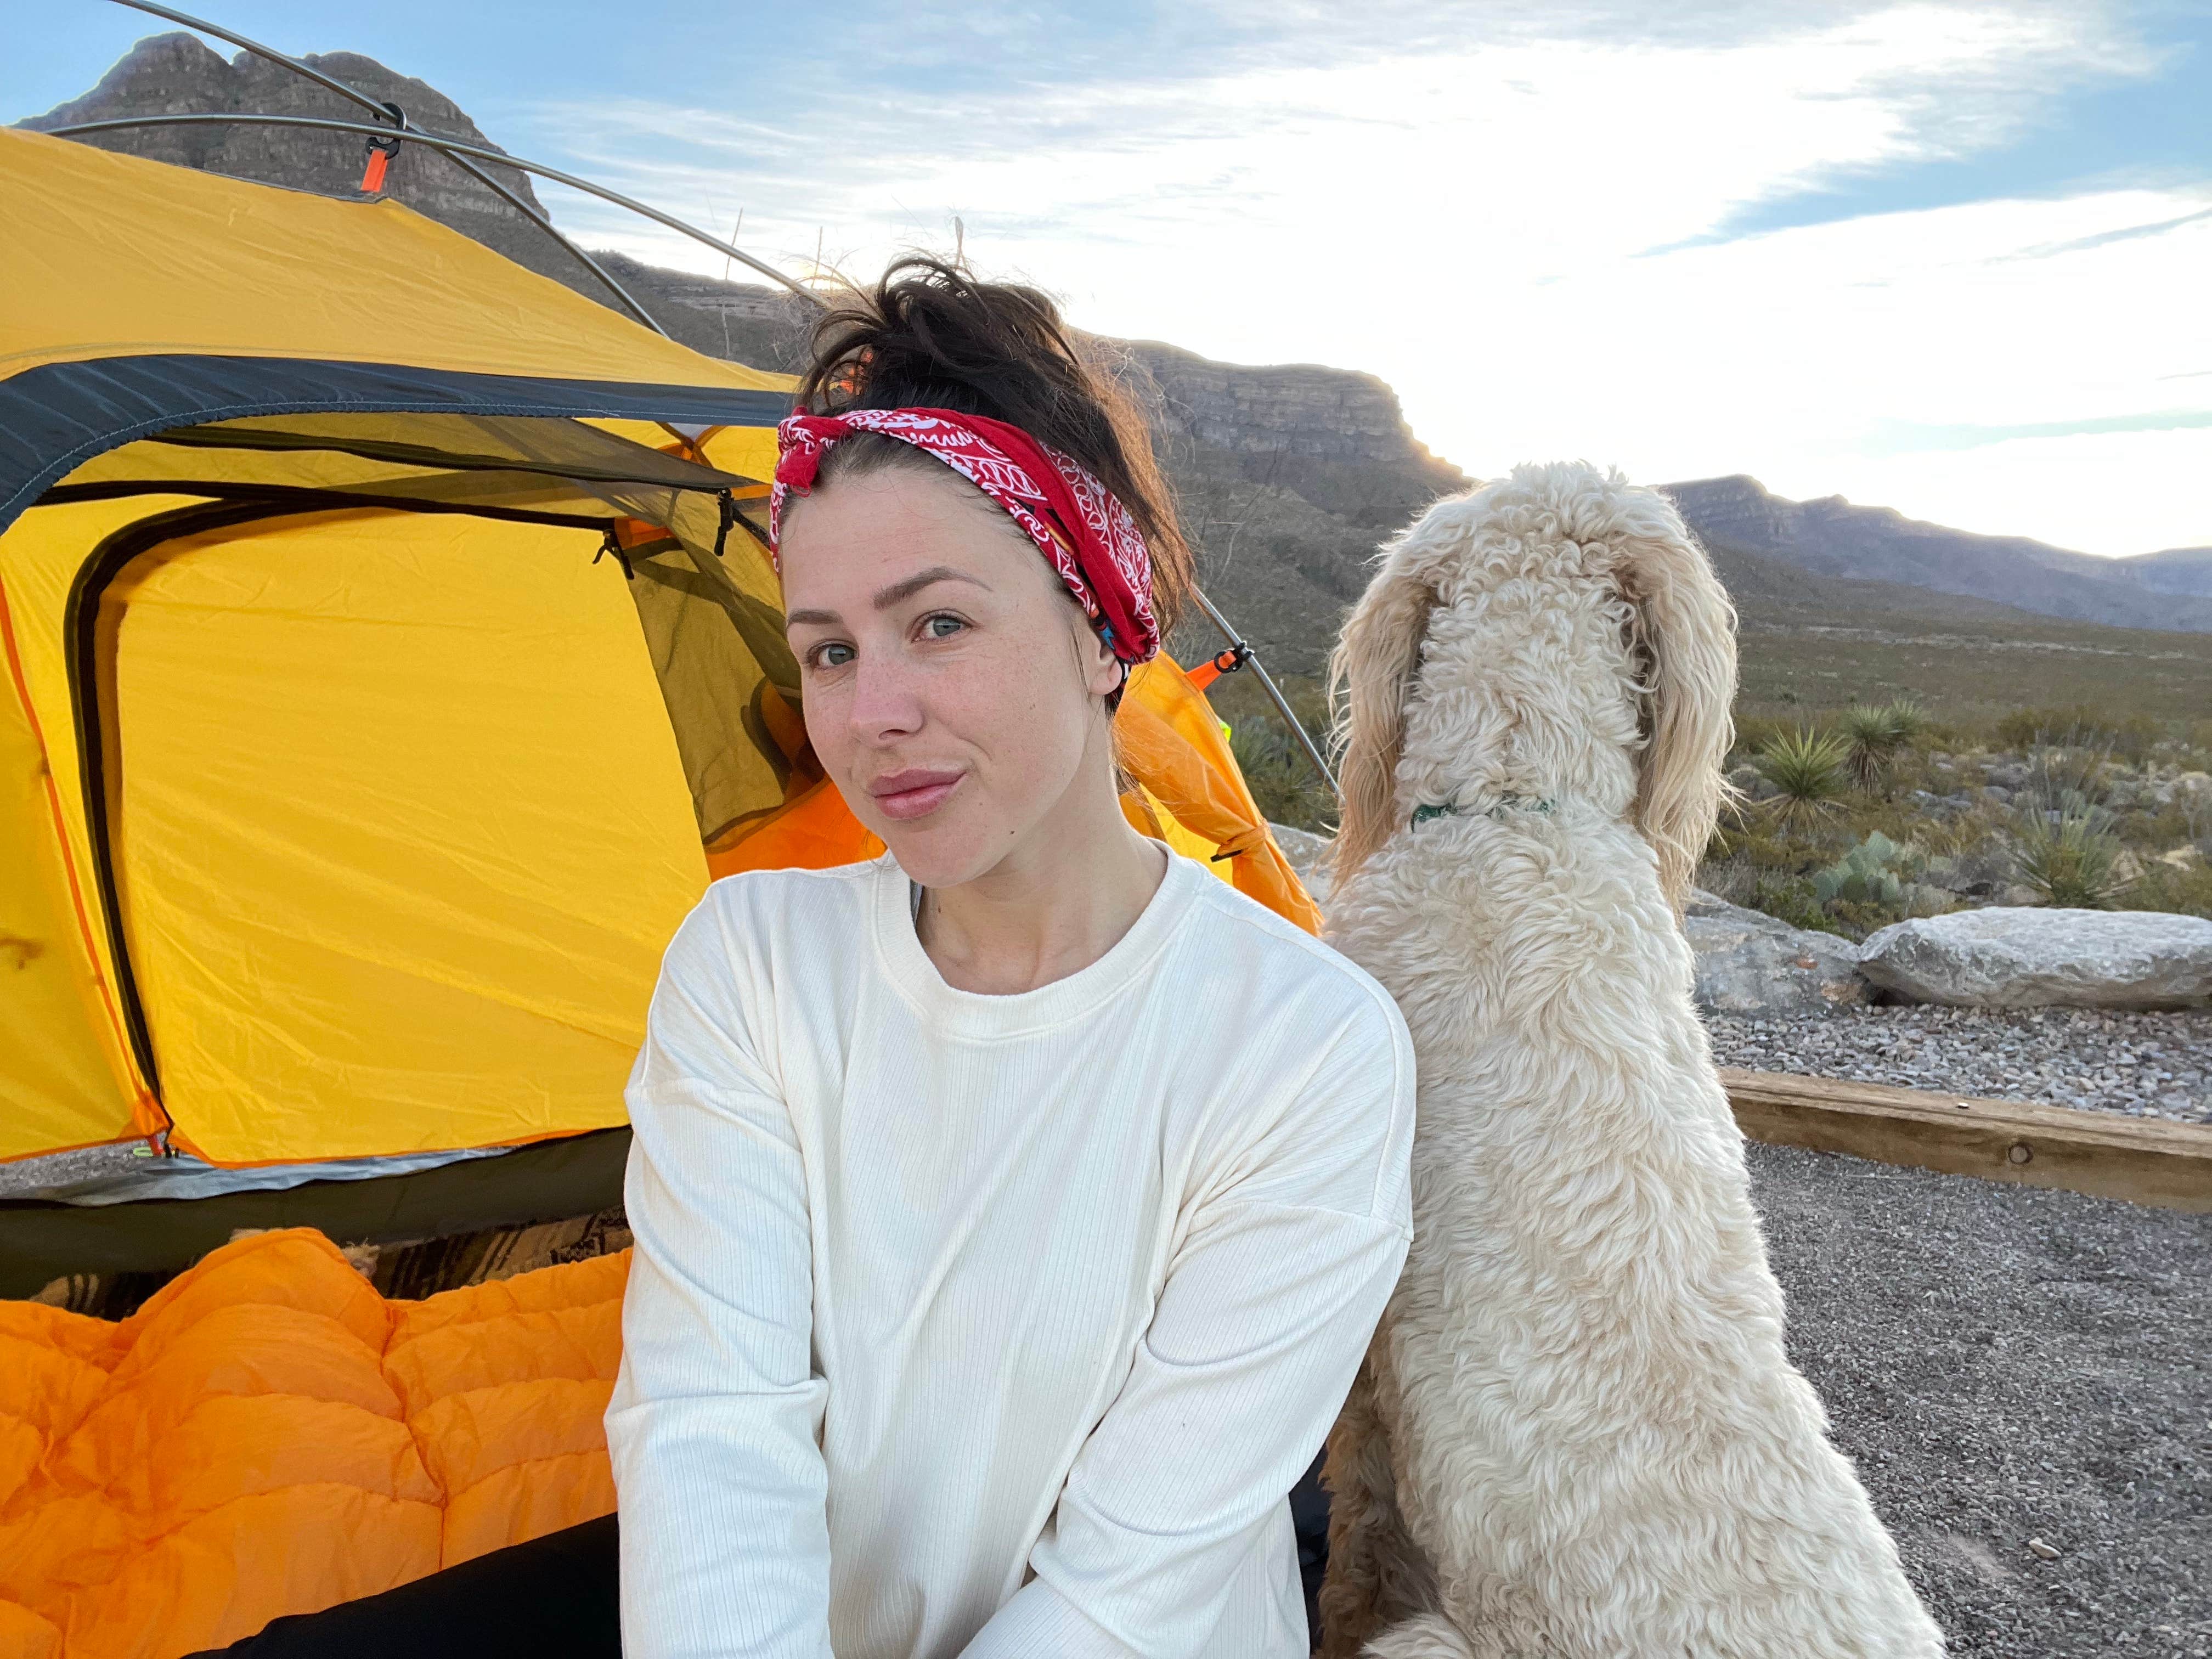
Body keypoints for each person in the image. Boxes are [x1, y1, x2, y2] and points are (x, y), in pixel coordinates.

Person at [202, 259, 1414, 1659]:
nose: (872, 712)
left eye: (938, 624)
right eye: (828, 652)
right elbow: (713, 1422)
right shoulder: (754, 966)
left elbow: (1123, 1593)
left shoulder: (1301, 1044)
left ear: (1100, 629)